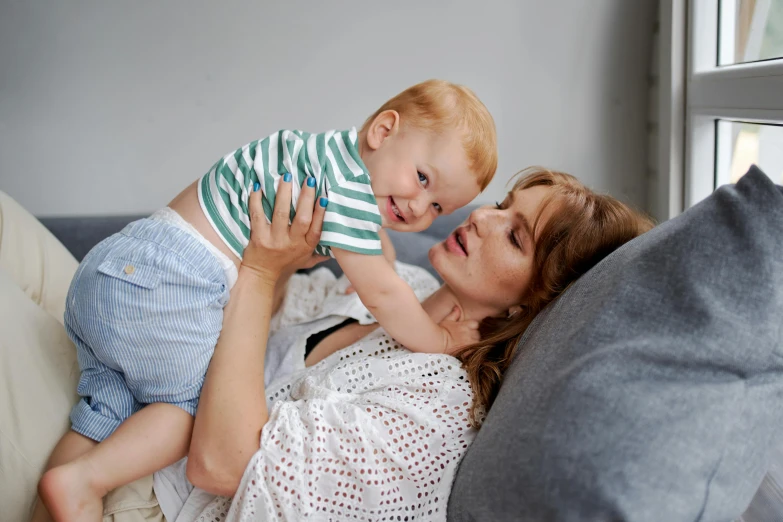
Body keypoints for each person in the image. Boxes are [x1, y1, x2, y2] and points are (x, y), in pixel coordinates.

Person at [36, 80, 497, 522]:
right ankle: (86, 482)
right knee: (188, 410)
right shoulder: (351, 198)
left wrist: (382, 252)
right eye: (422, 179)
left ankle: (62, 484)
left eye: (438, 207)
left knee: (100, 412)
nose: (419, 207)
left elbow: (370, 248)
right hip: (172, 287)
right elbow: (382, 292)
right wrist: (436, 338)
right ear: (382, 131)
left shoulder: (326, 158)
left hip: (119, 266)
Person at [176, 167, 654, 521]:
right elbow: (256, 326)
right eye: (503, 203)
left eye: (514, 236)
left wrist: (259, 271)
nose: (484, 215)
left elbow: (221, 465)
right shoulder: (402, 286)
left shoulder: (438, 404)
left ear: (531, 303)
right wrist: (287, 258)